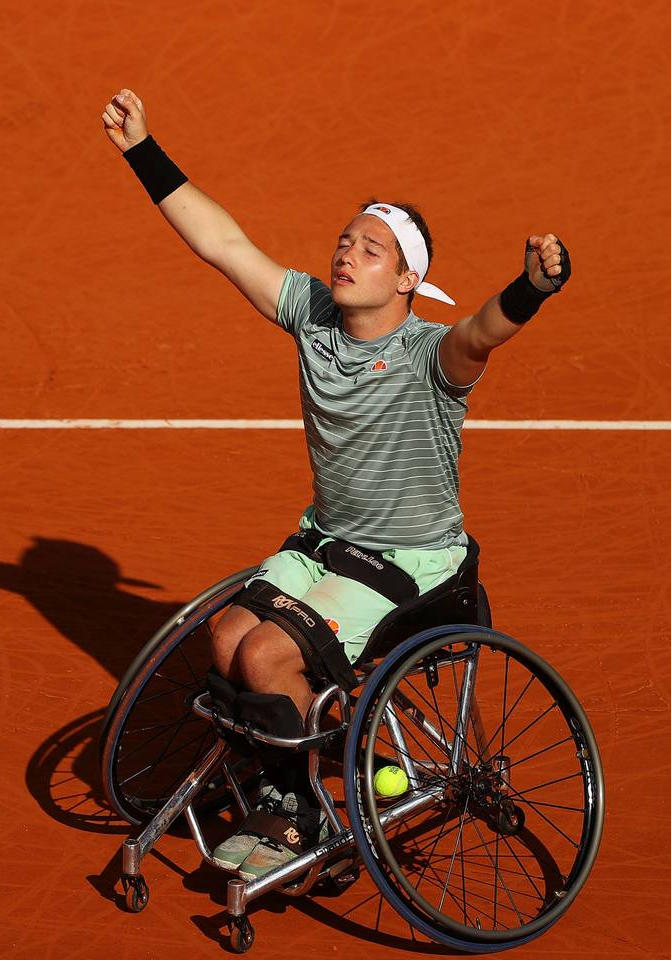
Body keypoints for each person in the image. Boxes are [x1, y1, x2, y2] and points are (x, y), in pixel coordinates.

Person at [102, 88, 571, 881]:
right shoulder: (311, 315)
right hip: (326, 541)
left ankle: (299, 813)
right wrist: (143, 150)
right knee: (224, 642)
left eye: (372, 249)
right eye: (346, 240)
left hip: (414, 562)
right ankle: (292, 776)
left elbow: (482, 331)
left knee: (265, 653)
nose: (347, 253)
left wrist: (532, 288)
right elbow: (222, 242)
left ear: (408, 281)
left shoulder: (432, 356)